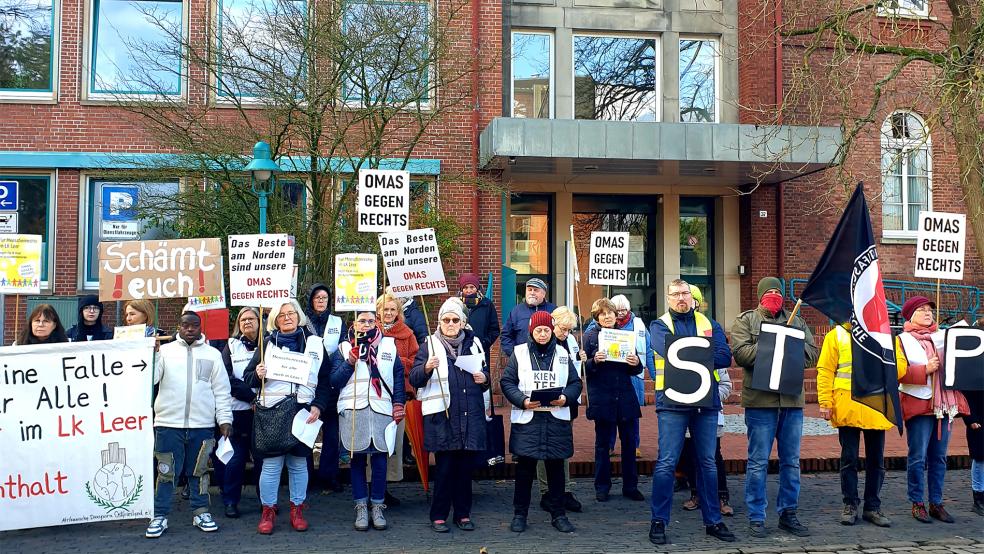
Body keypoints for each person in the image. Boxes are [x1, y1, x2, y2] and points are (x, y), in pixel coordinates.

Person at [647, 279, 735, 545]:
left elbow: (724, 357)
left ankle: (713, 522)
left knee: (708, 463)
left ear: (693, 297)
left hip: (705, 402)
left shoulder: (710, 324)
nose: (681, 298)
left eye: (685, 293)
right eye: (675, 294)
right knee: (666, 462)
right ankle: (658, 522)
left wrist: (687, 352)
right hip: (672, 402)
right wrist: (699, 351)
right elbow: (670, 352)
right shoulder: (659, 325)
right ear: (668, 298)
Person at [731, 276, 818, 538]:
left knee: (791, 462)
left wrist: (787, 343)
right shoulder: (745, 320)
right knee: (758, 461)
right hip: (760, 402)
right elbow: (741, 354)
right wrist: (774, 342)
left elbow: (812, 354)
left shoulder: (797, 321)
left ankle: (788, 513)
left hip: (791, 402)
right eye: (768, 292)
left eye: (777, 292)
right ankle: (757, 516)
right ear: (759, 296)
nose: (773, 296)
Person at [243, 299, 334, 535]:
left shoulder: (315, 343)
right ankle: (268, 511)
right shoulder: (266, 344)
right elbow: (248, 379)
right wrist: (257, 373)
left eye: (291, 313)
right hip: (273, 412)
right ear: (275, 319)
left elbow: (325, 381)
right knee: (271, 466)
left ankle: (297, 509)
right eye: (281, 314)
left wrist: (318, 406)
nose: (287, 317)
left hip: (303, 412)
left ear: (299, 316)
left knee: (298, 464)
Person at [145, 311, 232, 538]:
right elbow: (151, 380)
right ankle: (160, 515)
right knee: (166, 472)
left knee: (200, 471)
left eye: (194, 325)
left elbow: (222, 391)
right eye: (185, 325)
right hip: (167, 423)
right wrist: (152, 356)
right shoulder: (164, 352)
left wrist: (224, 420)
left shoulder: (213, 355)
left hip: (201, 425)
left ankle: (201, 511)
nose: (190, 329)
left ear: (200, 327)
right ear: (179, 326)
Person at [410, 297, 490, 532]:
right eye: (446, 319)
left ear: (463, 322)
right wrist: (425, 368)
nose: (451, 323)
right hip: (442, 418)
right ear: (439, 322)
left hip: (469, 416)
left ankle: (463, 514)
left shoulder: (474, 344)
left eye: (456, 319)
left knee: (465, 471)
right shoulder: (429, 345)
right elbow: (414, 378)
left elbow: (484, 373)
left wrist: (484, 378)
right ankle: (439, 515)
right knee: (444, 471)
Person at [501, 311, 582, 534]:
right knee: (524, 471)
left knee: (556, 470)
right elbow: (507, 381)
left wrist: (566, 397)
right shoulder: (519, 353)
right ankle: (520, 514)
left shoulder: (563, 354)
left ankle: (559, 515)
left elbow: (575, 383)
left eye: (547, 330)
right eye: (539, 330)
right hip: (528, 419)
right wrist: (522, 400)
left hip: (556, 419)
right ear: (531, 331)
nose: (543, 334)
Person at [895, 296, 969, 523]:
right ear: (910, 315)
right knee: (917, 457)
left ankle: (936, 502)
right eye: (922, 310)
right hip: (919, 404)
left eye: (930, 310)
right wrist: (925, 369)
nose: (928, 313)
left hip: (943, 407)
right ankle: (917, 502)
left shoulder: (943, 337)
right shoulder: (902, 340)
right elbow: (897, 373)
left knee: (939, 458)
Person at [331, 309, 406, 532]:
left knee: (380, 460)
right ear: (354, 324)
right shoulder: (343, 347)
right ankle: (361, 506)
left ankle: (377, 505)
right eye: (361, 321)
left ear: (377, 323)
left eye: (370, 321)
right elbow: (334, 380)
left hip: (381, 408)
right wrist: (349, 362)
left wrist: (398, 404)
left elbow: (399, 379)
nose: (366, 324)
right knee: (356, 459)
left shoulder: (388, 346)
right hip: (353, 409)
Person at [817, 322, 897, 527]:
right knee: (849, 459)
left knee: (876, 461)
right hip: (848, 405)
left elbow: (900, 365)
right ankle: (850, 504)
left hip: (876, 405)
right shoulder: (837, 334)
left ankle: (872, 507)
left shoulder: (883, 334)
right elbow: (825, 369)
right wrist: (825, 402)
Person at [674, 285, 734, 516]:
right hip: (685, 408)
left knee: (713, 455)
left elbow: (726, 384)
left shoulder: (713, 343)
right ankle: (695, 493)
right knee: (689, 455)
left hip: (709, 410)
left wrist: (709, 397)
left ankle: (721, 497)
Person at [583, 297, 645, 503]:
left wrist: (636, 362)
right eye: (603, 314)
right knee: (602, 445)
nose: (608, 316)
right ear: (597, 317)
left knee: (628, 444)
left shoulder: (625, 336)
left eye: (610, 313)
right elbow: (584, 370)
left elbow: (636, 368)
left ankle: (630, 486)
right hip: (603, 397)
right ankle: (602, 487)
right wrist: (594, 361)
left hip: (625, 396)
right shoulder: (590, 337)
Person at [536, 306, 586, 513]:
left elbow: (575, 372)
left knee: (563, 444)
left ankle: (564, 488)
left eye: (569, 330)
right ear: (553, 323)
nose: (566, 333)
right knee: (544, 445)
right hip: (548, 400)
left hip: (568, 399)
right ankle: (546, 490)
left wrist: (583, 359)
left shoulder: (571, 341)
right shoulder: (544, 343)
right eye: (563, 329)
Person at [217, 307, 263, 519]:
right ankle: (230, 501)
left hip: (264, 412)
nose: (246, 322)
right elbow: (226, 377)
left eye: (251, 318)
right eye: (243, 319)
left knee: (263, 461)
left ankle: (266, 502)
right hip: (239, 411)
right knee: (235, 460)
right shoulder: (231, 345)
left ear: (259, 321)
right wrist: (250, 397)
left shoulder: (270, 343)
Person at [303, 283, 347, 494]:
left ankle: (330, 476)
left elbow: (343, 348)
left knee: (332, 435)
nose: (321, 301)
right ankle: (307, 477)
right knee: (307, 433)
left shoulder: (338, 322)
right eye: (317, 297)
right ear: (311, 300)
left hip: (332, 385)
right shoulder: (303, 322)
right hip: (310, 385)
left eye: (324, 297)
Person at [376, 293, 420, 506]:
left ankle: (383, 488)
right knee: (372, 441)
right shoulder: (369, 330)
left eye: (393, 310)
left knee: (392, 442)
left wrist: (394, 361)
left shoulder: (407, 334)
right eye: (386, 309)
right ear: (378, 311)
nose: (389, 313)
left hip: (397, 394)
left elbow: (415, 361)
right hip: (373, 394)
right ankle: (370, 487)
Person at [610, 294, 650, 459]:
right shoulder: (603, 321)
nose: (620, 313)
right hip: (611, 374)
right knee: (610, 413)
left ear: (629, 309)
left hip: (633, 375)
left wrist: (654, 375)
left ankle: (634, 445)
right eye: (616, 310)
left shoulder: (639, 324)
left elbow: (648, 348)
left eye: (623, 310)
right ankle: (609, 446)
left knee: (632, 413)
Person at [500, 278, 557, 358]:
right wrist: (514, 355)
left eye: (536, 290)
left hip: (548, 359)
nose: (532, 293)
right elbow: (506, 335)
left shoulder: (554, 311)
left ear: (544, 294)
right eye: (529, 290)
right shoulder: (516, 311)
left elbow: (561, 335)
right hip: (522, 360)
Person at [457, 272, 500, 365]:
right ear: (461, 289)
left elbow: (494, 329)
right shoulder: (455, 304)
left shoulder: (487, 305)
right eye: (465, 287)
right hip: (458, 351)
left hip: (481, 351)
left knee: (480, 377)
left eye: (472, 287)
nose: (469, 290)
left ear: (477, 288)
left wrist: (483, 343)